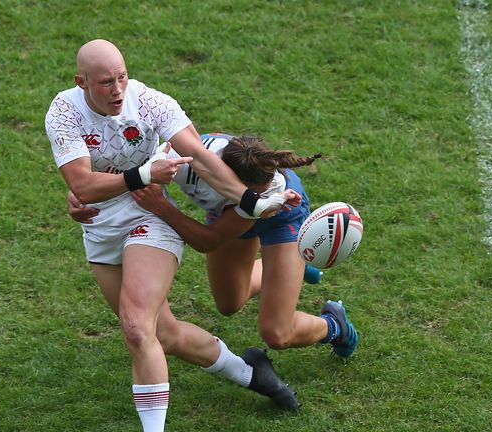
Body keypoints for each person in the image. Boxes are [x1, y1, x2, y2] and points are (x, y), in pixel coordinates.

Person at [45, 40, 300, 432]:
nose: (117, 90)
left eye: (121, 77)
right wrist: (143, 175)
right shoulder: (64, 111)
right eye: (105, 83)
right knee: (162, 333)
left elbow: (199, 156)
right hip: (99, 227)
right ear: (81, 82)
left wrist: (254, 202)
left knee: (135, 325)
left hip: (151, 215)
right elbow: (81, 183)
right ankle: (252, 373)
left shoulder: (150, 102)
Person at [69, 133, 359, 359]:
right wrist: (81, 197)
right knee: (229, 303)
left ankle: (334, 325)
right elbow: (122, 168)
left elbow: (207, 241)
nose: (255, 201)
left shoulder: (274, 192)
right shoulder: (185, 156)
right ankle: (288, 269)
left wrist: (163, 207)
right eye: (247, 196)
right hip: (226, 217)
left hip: (282, 221)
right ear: (225, 179)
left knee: (277, 334)